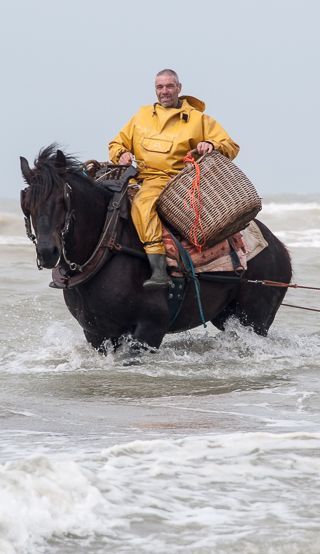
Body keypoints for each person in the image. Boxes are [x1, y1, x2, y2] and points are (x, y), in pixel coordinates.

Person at [109, 69, 239, 289]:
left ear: (179, 88)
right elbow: (116, 144)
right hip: (139, 176)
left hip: (173, 180)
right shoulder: (141, 116)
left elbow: (231, 146)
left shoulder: (199, 119)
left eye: (169, 86)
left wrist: (212, 145)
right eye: (160, 87)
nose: (165, 92)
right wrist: (120, 153)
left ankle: (159, 270)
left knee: (142, 204)